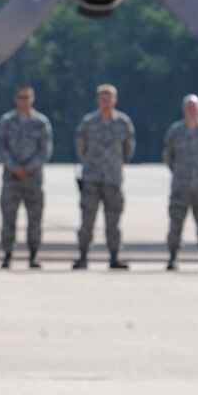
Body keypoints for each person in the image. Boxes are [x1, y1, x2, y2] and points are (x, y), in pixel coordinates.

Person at [74, 83, 135, 270]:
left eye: (109, 98)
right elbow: (80, 148)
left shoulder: (123, 123)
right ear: (98, 100)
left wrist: (113, 165)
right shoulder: (88, 122)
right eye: (103, 98)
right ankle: (83, 256)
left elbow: (129, 150)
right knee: (87, 219)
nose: (106, 102)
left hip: (113, 179)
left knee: (113, 221)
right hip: (91, 179)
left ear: (115, 100)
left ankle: (114, 257)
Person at [0, 85, 53, 269]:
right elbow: (0, 147)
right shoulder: (6, 121)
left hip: (33, 179)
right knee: (8, 218)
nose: (23, 101)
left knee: (35, 219)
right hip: (11, 178)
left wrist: (29, 167)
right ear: (15, 99)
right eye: (20, 97)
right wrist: (14, 167)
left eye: (26, 97)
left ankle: (33, 255)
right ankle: (7, 254)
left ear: (32, 99)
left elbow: (45, 150)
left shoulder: (41, 122)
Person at [162, 94, 198, 271]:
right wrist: (180, 173)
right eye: (188, 107)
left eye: (194, 107)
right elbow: (168, 156)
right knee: (176, 221)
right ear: (183, 110)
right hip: (180, 186)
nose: (192, 110)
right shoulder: (175, 131)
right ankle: (173, 257)